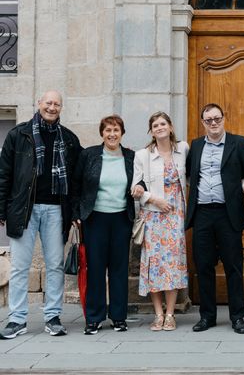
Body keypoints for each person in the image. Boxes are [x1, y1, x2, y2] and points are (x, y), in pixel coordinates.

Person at [0, 90, 82, 339]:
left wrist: (76, 212)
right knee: (19, 268)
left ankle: (53, 317)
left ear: (61, 108)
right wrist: (2, 209)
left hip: (56, 210)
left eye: (57, 104)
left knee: (55, 265)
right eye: (48, 102)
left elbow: (77, 181)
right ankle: (16, 319)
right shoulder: (19, 134)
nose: (52, 107)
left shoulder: (68, 138)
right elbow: (4, 174)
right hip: (24, 208)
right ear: (39, 104)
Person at [186, 103, 244, 334]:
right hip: (202, 214)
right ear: (203, 123)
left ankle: (237, 317)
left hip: (228, 214)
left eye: (217, 118)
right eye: (208, 120)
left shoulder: (239, 143)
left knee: (234, 267)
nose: (213, 123)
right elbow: (190, 175)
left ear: (224, 118)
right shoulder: (196, 145)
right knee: (204, 266)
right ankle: (207, 316)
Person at [72, 115, 136, 335]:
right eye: (108, 130)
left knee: (119, 269)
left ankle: (118, 317)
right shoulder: (89, 155)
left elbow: (140, 181)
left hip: (121, 219)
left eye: (116, 130)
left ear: (122, 133)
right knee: (96, 268)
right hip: (95, 218)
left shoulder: (130, 157)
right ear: (102, 133)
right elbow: (76, 185)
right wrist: (76, 213)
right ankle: (94, 318)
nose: (112, 134)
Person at [132, 111, 189, 331]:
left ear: (171, 127)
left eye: (163, 123)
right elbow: (135, 188)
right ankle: (158, 314)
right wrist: (155, 200)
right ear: (151, 131)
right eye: (155, 125)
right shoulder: (143, 155)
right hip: (154, 216)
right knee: (154, 266)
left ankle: (171, 314)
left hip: (175, 216)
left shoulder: (182, 150)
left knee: (172, 265)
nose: (159, 127)